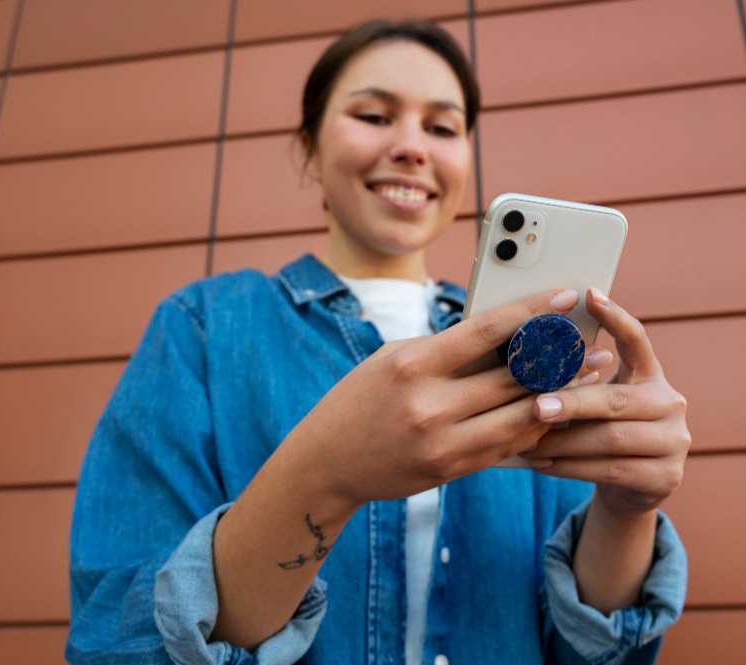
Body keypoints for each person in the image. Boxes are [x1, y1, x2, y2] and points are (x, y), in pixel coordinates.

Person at [66, 19, 690, 665]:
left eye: (443, 128)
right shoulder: (205, 326)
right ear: (308, 150)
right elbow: (119, 639)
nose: (412, 147)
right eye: (373, 114)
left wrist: (624, 506)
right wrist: (326, 474)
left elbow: (587, 653)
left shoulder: (537, 351)